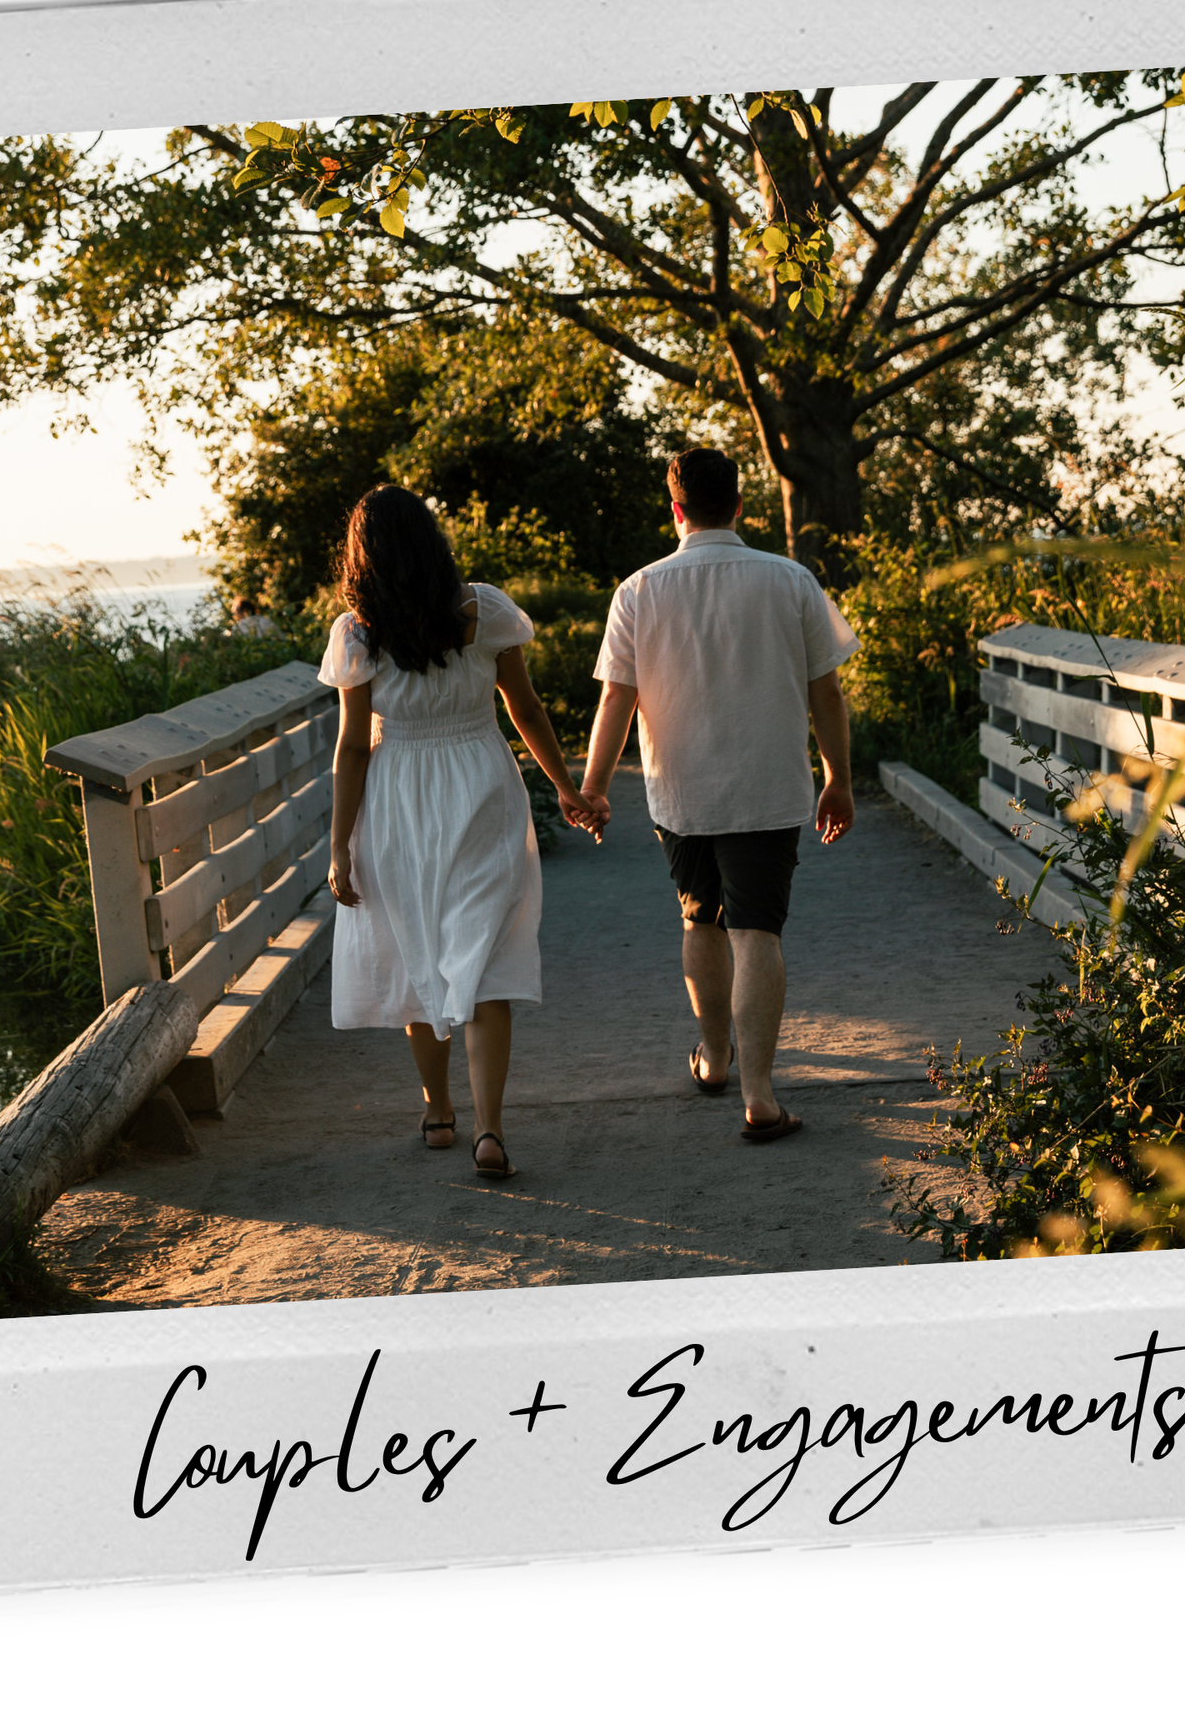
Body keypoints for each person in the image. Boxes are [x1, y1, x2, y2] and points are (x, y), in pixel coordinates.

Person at [576, 449, 859, 1144]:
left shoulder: (638, 591)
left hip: (681, 789)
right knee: (757, 930)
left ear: (675, 510)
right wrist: (839, 778)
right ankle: (760, 1097)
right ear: (739, 504)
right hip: (768, 785)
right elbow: (827, 692)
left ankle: (714, 1061)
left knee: (700, 919)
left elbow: (618, 698)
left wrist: (592, 788)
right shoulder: (792, 580)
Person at [319, 485, 602, 1181]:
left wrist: (337, 846)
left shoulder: (357, 633)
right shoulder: (485, 609)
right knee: (485, 957)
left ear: (363, 556)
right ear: (433, 538)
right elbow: (526, 709)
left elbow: (353, 749)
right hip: (480, 785)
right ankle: (491, 1130)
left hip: (398, 800)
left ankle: (439, 1113)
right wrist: (567, 789)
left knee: (419, 943)